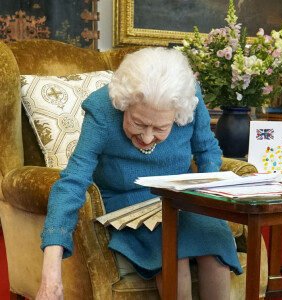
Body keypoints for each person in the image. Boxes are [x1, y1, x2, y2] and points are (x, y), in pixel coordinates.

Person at [36, 47, 242, 300]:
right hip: (128, 201)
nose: (146, 137)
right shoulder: (102, 109)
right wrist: (51, 269)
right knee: (172, 257)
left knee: (215, 249)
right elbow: (73, 181)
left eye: (160, 128)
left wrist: (206, 196)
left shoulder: (189, 98)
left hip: (182, 198)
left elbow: (207, 150)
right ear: (125, 103)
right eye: (138, 123)